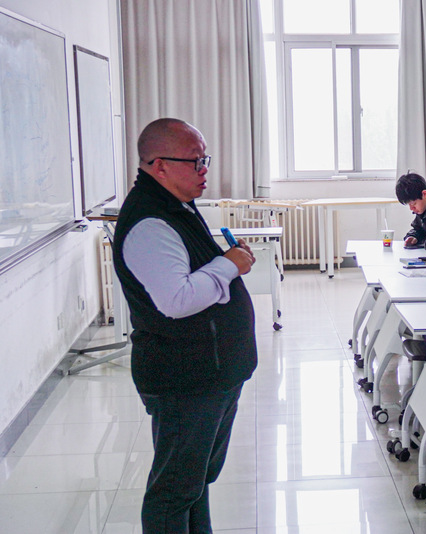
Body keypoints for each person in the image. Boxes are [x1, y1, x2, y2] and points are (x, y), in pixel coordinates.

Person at [113, 118, 258, 532]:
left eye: (205, 159)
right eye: (195, 161)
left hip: (211, 373)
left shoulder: (176, 206)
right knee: (174, 491)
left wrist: (225, 265)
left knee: (195, 482)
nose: (204, 169)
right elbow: (176, 300)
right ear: (159, 166)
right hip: (186, 379)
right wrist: (228, 266)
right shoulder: (149, 223)